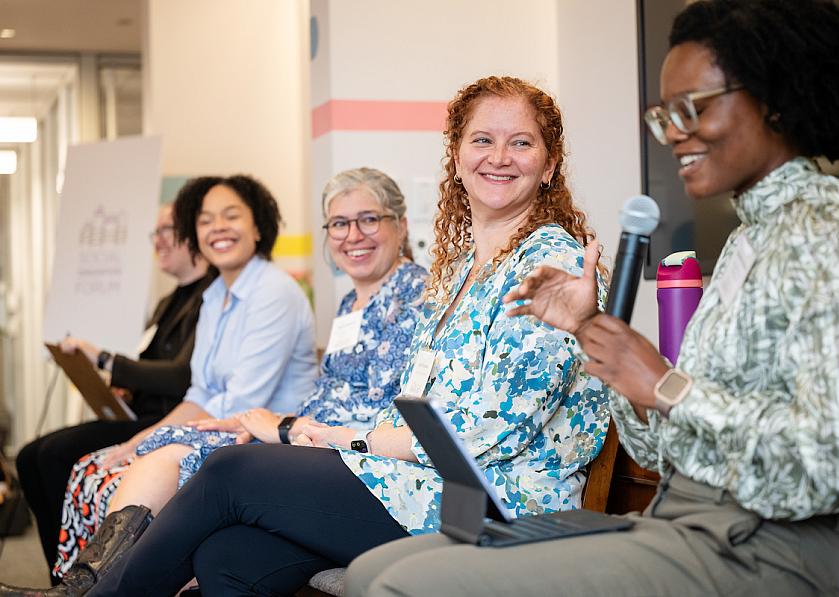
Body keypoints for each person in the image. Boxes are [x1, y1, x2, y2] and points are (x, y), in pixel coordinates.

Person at [345, 1, 839, 596]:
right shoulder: (747, 238)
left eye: (694, 108)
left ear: (775, 99)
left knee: (406, 587)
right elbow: (659, 446)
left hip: (767, 541)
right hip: (680, 515)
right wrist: (605, 349)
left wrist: (665, 386)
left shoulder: (826, 228)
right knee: (372, 572)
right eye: (666, 116)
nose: (674, 134)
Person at [78, 75, 611, 597]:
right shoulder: (461, 270)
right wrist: (332, 439)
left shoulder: (552, 265)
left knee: (229, 471)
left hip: (497, 505)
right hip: (420, 482)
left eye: (521, 142)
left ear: (549, 164)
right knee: (231, 557)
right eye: (482, 140)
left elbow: (484, 434)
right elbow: (415, 402)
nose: (499, 156)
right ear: (456, 156)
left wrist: (330, 437)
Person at [56, 167, 428, 584]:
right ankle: (87, 583)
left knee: (207, 464)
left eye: (369, 219)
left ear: (401, 225)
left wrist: (286, 429)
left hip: (345, 457)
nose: (353, 235)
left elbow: (376, 413)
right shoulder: (350, 302)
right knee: (193, 512)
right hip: (307, 436)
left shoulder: (415, 297)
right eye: (340, 223)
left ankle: (92, 588)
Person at [0, 174, 319, 597]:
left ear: (258, 226)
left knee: (114, 473)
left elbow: (242, 403)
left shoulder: (275, 291)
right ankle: (76, 586)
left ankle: (89, 590)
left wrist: (154, 439)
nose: (217, 227)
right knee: (95, 466)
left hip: (255, 437)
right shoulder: (214, 296)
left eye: (231, 216)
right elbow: (200, 393)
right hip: (214, 426)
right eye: (205, 220)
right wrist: (140, 438)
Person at [14, 204, 212, 574]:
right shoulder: (169, 302)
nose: (159, 241)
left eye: (167, 230)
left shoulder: (211, 298)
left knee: (54, 455)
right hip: (138, 413)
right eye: (155, 233)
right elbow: (151, 365)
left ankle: (78, 575)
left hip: (166, 421)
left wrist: (104, 358)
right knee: (28, 456)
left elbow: (182, 377)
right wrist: (123, 390)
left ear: (193, 234)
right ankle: (59, 572)